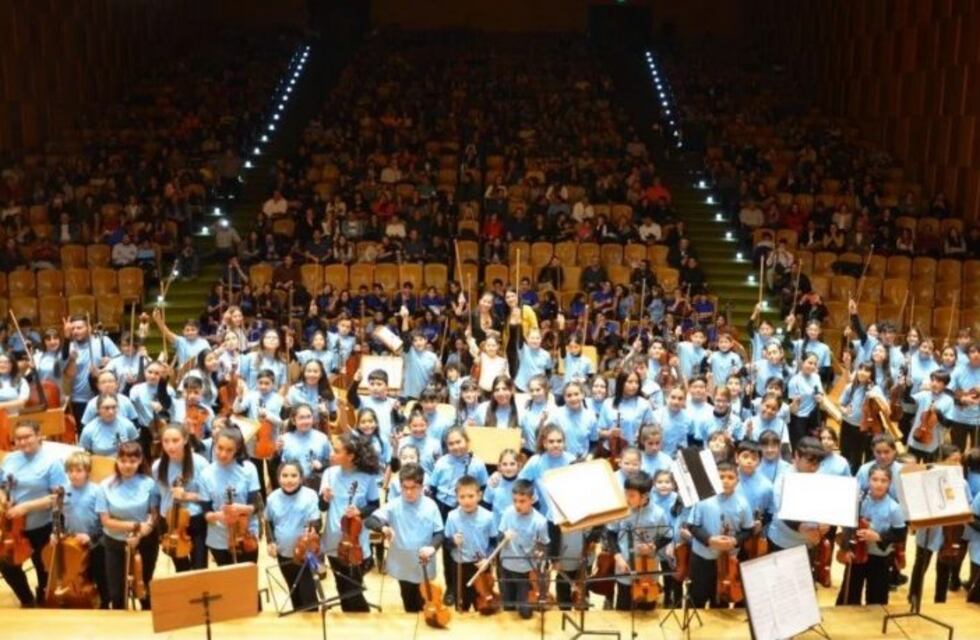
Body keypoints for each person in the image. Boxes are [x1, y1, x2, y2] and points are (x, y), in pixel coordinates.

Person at [0, 420, 69, 606]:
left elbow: (58, 498)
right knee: (7, 566)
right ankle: (27, 600)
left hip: (42, 525)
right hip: (13, 528)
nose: (23, 442)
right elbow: (2, 486)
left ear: (39, 435)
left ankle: (43, 601)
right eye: (19, 438)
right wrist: (3, 498)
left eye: (27, 437)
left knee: (43, 569)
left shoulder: (52, 462)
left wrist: (26, 507)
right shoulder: (10, 460)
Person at [365, 463, 443, 613]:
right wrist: (383, 528)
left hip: (423, 562)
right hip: (401, 562)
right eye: (404, 487)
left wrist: (432, 547)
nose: (408, 492)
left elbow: (439, 533)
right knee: (408, 598)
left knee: (424, 600)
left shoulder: (431, 506)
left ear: (421, 486)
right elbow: (370, 520)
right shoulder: (394, 505)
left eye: (413, 488)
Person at [319, 431, 380, 612]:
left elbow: (375, 505)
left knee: (353, 587)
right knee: (341, 585)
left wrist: (359, 511)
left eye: (337, 451)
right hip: (332, 539)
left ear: (351, 456)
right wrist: (325, 499)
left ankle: (360, 622)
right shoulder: (329, 473)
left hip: (355, 541)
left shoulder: (367, 477)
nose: (331, 454)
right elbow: (321, 507)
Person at [96, 441, 159, 610]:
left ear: (139, 461)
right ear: (116, 461)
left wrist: (143, 531)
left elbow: (153, 514)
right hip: (114, 542)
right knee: (117, 593)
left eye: (132, 461)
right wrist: (135, 527)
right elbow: (106, 521)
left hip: (145, 541)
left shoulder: (149, 483)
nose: (127, 465)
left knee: (144, 588)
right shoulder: (104, 486)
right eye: (123, 460)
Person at [685, 461, 753, 608]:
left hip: (727, 561)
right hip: (702, 557)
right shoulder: (703, 498)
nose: (725, 481)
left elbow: (748, 530)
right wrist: (709, 540)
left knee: (721, 598)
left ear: (737, 480)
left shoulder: (743, 503)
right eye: (721, 477)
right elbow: (692, 525)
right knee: (697, 596)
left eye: (730, 477)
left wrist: (735, 541)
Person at [836, 466, 906, 605]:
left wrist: (878, 537)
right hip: (856, 555)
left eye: (884, 481)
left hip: (879, 558)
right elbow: (848, 526)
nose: (879, 484)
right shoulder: (859, 501)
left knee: (877, 599)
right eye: (874, 479)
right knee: (849, 594)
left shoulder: (894, 508)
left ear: (890, 483)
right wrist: (846, 548)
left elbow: (900, 534)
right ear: (868, 481)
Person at [607, 471, 671, 611]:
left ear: (644, 496)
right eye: (626, 493)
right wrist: (618, 557)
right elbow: (611, 534)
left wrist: (654, 546)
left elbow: (667, 536)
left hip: (648, 568)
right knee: (623, 606)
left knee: (647, 607)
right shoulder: (622, 510)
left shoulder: (658, 513)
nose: (627, 498)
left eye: (631, 495)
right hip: (625, 566)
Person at [265, 462, 322, 611]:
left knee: (308, 594)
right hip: (283, 552)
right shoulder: (272, 498)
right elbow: (269, 522)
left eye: (293, 475)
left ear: (301, 478)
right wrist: (270, 541)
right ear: (278, 478)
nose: (289, 480)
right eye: (284, 476)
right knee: (294, 591)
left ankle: (312, 626)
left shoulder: (310, 495)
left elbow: (316, 521)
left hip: (304, 553)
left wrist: (312, 531)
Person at [200, 426, 261, 567]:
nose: (222, 454)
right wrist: (219, 516)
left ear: (237, 450)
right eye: (219, 448)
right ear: (214, 444)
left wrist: (242, 508)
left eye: (229, 450)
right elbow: (206, 512)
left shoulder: (249, 469)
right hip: (219, 537)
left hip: (246, 534)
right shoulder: (205, 474)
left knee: (247, 580)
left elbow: (256, 505)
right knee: (227, 583)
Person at [153, 423, 209, 571]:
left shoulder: (200, 463)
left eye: (175, 440)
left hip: (195, 520)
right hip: (170, 523)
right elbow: (158, 496)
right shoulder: (157, 466)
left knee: (199, 568)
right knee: (181, 568)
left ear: (185, 440)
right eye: (166, 441)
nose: (170, 446)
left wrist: (186, 495)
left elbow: (208, 496)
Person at [496, 478, 549, 619]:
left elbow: (544, 545)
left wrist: (540, 552)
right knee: (507, 607)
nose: (517, 505)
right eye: (515, 500)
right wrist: (503, 537)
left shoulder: (540, 521)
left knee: (525, 613)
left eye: (522, 501)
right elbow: (499, 537)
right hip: (506, 567)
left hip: (526, 571)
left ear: (531, 500)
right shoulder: (507, 513)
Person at [444, 475, 496, 611]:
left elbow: (493, 542)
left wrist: (488, 559)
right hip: (460, 566)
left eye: (471, 496)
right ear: (456, 497)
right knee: (462, 605)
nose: (467, 501)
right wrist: (453, 541)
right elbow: (446, 544)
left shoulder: (488, 517)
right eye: (462, 497)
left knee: (483, 604)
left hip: (481, 565)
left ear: (479, 495)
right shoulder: (452, 516)